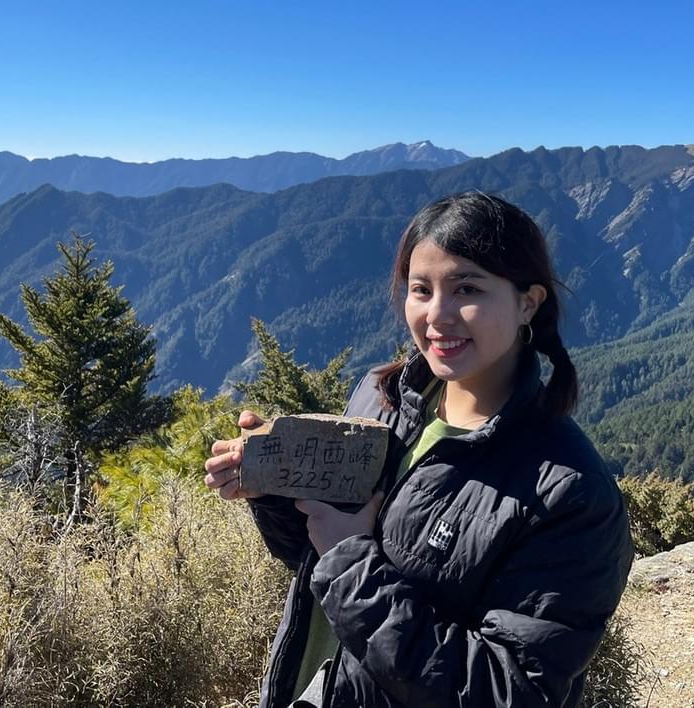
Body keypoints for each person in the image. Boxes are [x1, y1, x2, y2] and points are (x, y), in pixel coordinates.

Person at [204, 191, 633, 708]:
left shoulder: (569, 495)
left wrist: (349, 562)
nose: (438, 315)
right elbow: (314, 550)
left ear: (528, 302)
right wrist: (273, 484)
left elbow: (509, 692)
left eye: (467, 288)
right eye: (421, 290)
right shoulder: (381, 398)